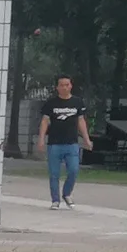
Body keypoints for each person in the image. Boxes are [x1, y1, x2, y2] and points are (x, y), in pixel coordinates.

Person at [37, 76, 91, 207]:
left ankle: (67, 193)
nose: (64, 87)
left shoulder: (77, 102)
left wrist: (86, 139)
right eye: (61, 85)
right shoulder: (51, 103)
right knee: (54, 174)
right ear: (57, 87)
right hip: (54, 144)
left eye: (67, 85)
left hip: (72, 143)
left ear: (71, 86)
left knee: (73, 170)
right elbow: (45, 121)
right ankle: (55, 200)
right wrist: (41, 139)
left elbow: (81, 121)